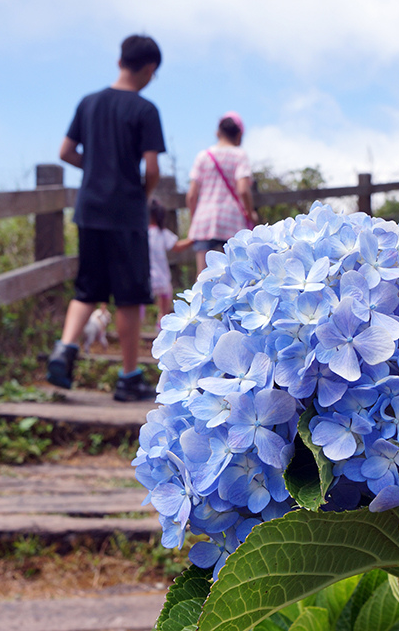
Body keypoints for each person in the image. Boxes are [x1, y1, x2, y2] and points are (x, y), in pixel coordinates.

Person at [46, 34, 165, 402]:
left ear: (119, 61)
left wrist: (95, 166)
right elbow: (152, 168)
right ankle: (128, 377)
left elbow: (66, 151)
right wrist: (141, 194)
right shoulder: (144, 110)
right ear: (149, 69)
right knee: (128, 297)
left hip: (90, 209)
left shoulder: (89, 103)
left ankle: (65, 348)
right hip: (126, 213)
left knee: (87, 289)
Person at [186, 112, 260, 273]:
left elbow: (191, 195)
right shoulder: (240, 155)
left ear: (217, 132)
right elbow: (243, 189)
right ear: (239, 135)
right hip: (232, 221)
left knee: (204, 278)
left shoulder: (203, 156)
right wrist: (250, 212)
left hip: (205, 221)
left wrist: (195, 219)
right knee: (238, 274)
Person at [147, 199, 183, 326]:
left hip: (145, 277)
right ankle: (162, 327)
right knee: (164, 309)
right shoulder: (161, 233)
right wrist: (194, 239)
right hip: (162, 277)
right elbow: (177, 246)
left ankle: (139, 327)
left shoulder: (141, 233)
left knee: (139, 305)